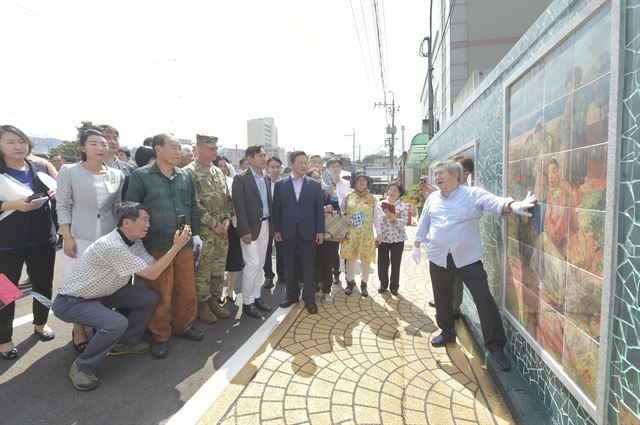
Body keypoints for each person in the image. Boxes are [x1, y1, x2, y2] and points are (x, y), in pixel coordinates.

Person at [52, 202, 192, 391]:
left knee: (148, 298)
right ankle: (82, 367)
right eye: (144, 220)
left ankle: (126, 343)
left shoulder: (135, 241)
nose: (148, 224)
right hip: (73, 301)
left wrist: (174, 247)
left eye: (148, 220)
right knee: (116, 323)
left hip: (104, 293)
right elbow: (152, 273)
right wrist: (176, 247)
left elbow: (151, 264)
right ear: (127, 222)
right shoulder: (112, 245)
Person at [413, 160, 536, 371]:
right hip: (439, 257)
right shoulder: (433, 198)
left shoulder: (471, 194)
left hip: (468, 259)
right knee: (442, 298)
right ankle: (447, 332)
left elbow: (493, 201)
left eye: (440, 173)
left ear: (455, 175)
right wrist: (416, 245)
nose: (436, 177)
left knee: (483, 298)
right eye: (435, 174)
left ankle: (495, 346)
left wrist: (513, 205)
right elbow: (424, 222)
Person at [124, 133, 204, 358]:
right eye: (173, 147)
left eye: (180, 147)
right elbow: (130, 207)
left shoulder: (184, 176)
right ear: (157, 149)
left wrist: (195, 235)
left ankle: (184, 325)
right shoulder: (142, 176)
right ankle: (160, 334)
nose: (178, 151)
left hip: (184, 243)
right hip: (156, 244)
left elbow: (193, 208)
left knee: (186, 289)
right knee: (161, 292)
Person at [57, 129, 125, 352]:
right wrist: (67, 237)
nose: (100, 148)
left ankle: (100, 322)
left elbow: (117, 207)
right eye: (94, 144)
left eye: (104, 144)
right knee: (78, 284)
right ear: (82, 148)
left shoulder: (118, 175)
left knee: (103, 280)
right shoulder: (69, 171)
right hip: (79, 236)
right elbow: (63, 205)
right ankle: (78, 328)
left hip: (107, 237)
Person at [0, 125, 57, 360]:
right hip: (6, 245)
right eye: (11, 141)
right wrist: (14, 205)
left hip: (42, 239)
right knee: (5, 293)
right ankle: (4, 339)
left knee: (43, 284)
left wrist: (54, 192)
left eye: (22, 141)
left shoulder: (41, 166)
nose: (18, 145)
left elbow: (59, 190)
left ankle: (41, 323)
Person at [183, 135, 233, 324]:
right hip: (205, 231)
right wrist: (214, 224)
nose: (214, 151)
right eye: (210, 148)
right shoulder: (189, 172)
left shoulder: (217, 171)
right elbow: (194, 205)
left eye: (215, 148)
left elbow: (227, 199)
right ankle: (202, 305)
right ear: (199, 148)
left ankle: (214, 300)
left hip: (222, 231)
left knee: (219, 268)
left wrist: (227, 219)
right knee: (202, 269)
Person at [275, 151, 325, 314]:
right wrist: (277, 230)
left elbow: (319, 211)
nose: (304, 165)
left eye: (305, 162)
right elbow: (277, 209)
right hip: (287, 231)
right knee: (289, 265)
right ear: (291, 164)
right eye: (300, 162)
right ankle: (291, 295)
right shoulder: (280, 185)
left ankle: (309, 299)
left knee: (308, 266)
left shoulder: (315, 185)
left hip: (308, 232)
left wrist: (320, 231)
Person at [427, 154, 474, 319]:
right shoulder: (440, 194)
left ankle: (454, 307)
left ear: (465, 174)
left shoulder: (469, 193)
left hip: (462, 249)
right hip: (443, 250)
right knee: (446, 281)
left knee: (457, 279)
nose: (440, 176)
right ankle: (444, 305)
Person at [232, 145, 273, 319]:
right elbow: (239, 207)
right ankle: (247, 302)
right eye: (260, 155)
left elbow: (269, 204)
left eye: (265, 155)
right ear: (250, 159)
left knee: (261, 263)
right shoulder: (241, 179)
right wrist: (244, 230)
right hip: (249, 228)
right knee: (252, 264)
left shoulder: (267, 178)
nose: (264, 158)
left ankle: (256, 297)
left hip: (265, 226)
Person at [340, 171, 381, 297]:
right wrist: (345, 219)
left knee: (366, 261)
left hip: (366, 234)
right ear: (354, 183)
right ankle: (350, 282)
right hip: (351, 234)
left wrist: (378, 233)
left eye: (364, 180)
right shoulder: (347, 196)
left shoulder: (372, 198)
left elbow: (376, 217)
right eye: (359, 180)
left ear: (367, 183)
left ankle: (364, 284)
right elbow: (342, 212)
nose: (362, 182)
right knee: (351, 260)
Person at [307, 169, 339, 303]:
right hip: (309, 234)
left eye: (319, 178)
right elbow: (304, 212)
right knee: (313, 264)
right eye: (314, 178)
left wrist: (334, 196)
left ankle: (326, 290)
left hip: (328, 234)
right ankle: (315, 289)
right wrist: (322, 209)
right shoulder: (304, 194)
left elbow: (336, 208)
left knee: (327, 263)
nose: (318, 180)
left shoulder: (326, 193)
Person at [213, 156, 243, 304]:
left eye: (225, 166)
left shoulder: (233, 182)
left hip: (233, 226)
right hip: (216, 228)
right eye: (220, 165)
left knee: (234, 260)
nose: (223, 169)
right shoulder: (210, 183)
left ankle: (230, 289)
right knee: (218, 262)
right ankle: (218, 292)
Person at [377, 182, 408, 296]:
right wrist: (385, 216)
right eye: (390, 190)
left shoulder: (403, 205)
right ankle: (383, 284)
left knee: (396, 263)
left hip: (398, 238)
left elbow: (404, 222)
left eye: (395, 190)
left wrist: (395, 219)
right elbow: (376, 220)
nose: (392, 192)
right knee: (382, 263)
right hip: (383, 238)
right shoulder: (380, 204)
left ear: (399, 193)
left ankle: (394, 286)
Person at [325, 157, 350, 285]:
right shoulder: (325, 185)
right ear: (328, 169)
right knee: (333, 251)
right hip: (332, 221)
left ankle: (348, 275)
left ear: (341, 168)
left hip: (346, 220)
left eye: (337, 166)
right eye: (332, 166)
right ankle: (336, 274)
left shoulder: (347, 184)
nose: (335, 168)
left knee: (346, 249)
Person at [263, 156, 284, 289]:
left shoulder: (285, 183)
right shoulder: (263, 183)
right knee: (267, 251)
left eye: (278, 167)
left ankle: (282, 275)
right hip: (266, 223)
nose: (275, 170)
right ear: (267, 168)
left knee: (282, 251)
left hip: (282, 224)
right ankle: (268, 277)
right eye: (272, 167)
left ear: (281, 169)